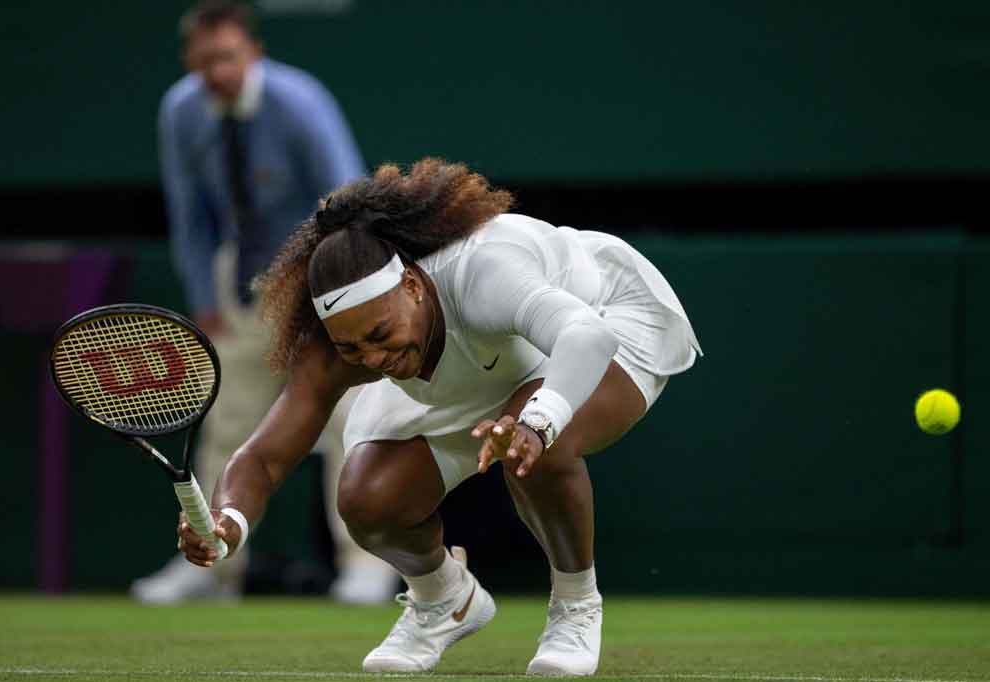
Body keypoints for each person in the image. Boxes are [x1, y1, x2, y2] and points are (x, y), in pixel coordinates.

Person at [176, 158, 703, 675]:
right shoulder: (340, 345)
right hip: (474, 369)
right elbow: (265, 457)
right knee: (365, 499)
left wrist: (536, 422)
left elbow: (584, 335)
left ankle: (575, 607)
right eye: (354, 348)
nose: (373, 358)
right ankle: (443, 600)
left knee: (546, 442)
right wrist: (228, 522)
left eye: (380, 336)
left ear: (410, 285)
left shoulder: (485, 271)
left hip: (605, 317)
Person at [131, 0, 400, 605]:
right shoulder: (180, 110)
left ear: (252, 53)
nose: (217, 72)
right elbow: (189, 215)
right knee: (225, 424)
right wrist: (205, 295)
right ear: (189, 62)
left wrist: (335, 296)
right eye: (204, 62)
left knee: (347, 423)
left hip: (319, 282)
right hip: (243, 285)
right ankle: (212, 565)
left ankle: (367, 566)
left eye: (227, 57)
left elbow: (346, 198)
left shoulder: (299, 101)